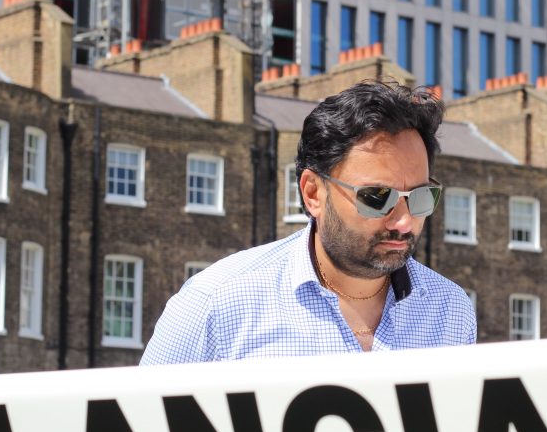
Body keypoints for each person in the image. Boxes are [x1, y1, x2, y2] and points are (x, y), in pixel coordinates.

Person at [141, 80, 476, 364]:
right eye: (377, 197)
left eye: (420, 198)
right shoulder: (214, 303)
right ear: (313, 193)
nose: (404, 222)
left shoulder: (451, 310)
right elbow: (139, 431)